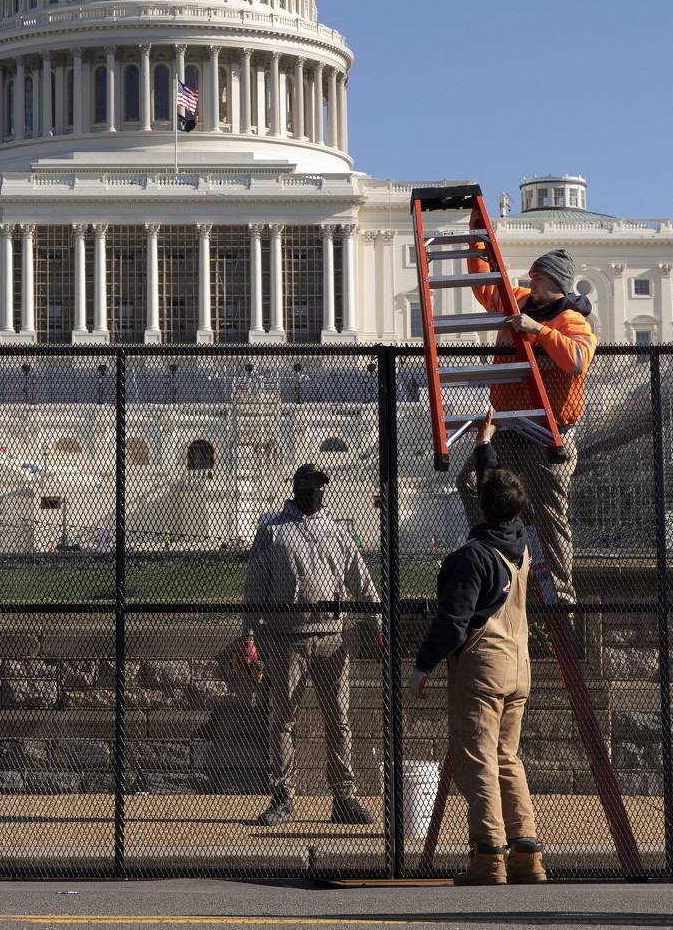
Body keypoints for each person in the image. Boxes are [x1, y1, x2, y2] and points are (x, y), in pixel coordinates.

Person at [408, 418, 547, 886]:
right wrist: (485, 446)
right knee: (509, 756)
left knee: (479, 760)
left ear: (483, 506)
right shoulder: (521, 543)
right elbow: (497, 490)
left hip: (483, 666)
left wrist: (422, 665)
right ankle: (528, 851)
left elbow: (452, 621)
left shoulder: (473, 556)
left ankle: (489, 855)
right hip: (520, 664)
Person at [240, 463, 380, 827]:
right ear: (297, 486)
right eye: (310, 485)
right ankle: (283, 795)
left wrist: (378, 621)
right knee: (283, 719)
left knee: (339, 719)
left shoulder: (336, 530)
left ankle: (344, 798)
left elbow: (361, 581)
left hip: (332, 638)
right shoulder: (271, 529)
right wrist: (249, 635)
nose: (317, 491)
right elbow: (255, 587)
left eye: (321, 485)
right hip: (288, 638)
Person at [461, 248, 594, 600]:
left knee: (551, 513)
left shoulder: (573, 321)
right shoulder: (520, 300)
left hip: (547, 435)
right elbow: (486, 288)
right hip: (508, 427)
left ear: (558, 284)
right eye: (532, 277)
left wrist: (538, 330)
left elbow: (578, 360)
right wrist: (477, 245)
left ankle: (561, 594)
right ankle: (496, 562)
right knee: (472, 481)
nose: (530, 283)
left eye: (539, 278)